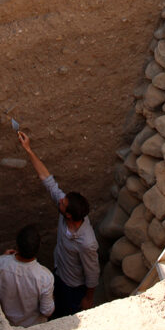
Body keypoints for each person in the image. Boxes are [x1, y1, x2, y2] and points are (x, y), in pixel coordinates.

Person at [18, 131, 99, 318]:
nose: (59, 200)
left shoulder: (87, 243)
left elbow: (92, 272)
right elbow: (48, 181)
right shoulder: (67, 212)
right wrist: (29, 150)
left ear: (69, 215)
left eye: (62, 204)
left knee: (65, 314)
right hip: (58, 271)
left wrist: (88, 298)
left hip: (73, 286)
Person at [0, 224, 54, 327]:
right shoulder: (45, 277)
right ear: (38, 248)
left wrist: (3, 258)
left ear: (17, 246)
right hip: (34, 327)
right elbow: (47, 311)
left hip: (7, 325)